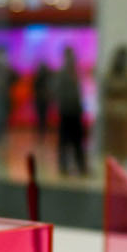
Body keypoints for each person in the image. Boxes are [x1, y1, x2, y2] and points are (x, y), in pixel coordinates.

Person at [101, 45, 127, 161]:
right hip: (112, 114)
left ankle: (122, 163)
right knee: (113, 144)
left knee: (124, 144)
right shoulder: (109, 75)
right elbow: (105, 92)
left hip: (124, 113)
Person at [55, 46, 87, 176]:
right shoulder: (62, 74)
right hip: (66, 112)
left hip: (76, 112)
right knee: (64, 141)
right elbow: (58, 93)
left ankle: (81, 165)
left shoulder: (76, 73)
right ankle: (63, 166)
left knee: (78, 140)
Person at [32, 61, 53, 139]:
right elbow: (36, 89)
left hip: (42, 101)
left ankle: (42, 133)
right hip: (40, 101)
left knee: (42, 118)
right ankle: (41, 133)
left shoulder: (42, 78)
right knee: (41, 118)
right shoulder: (40, 78)